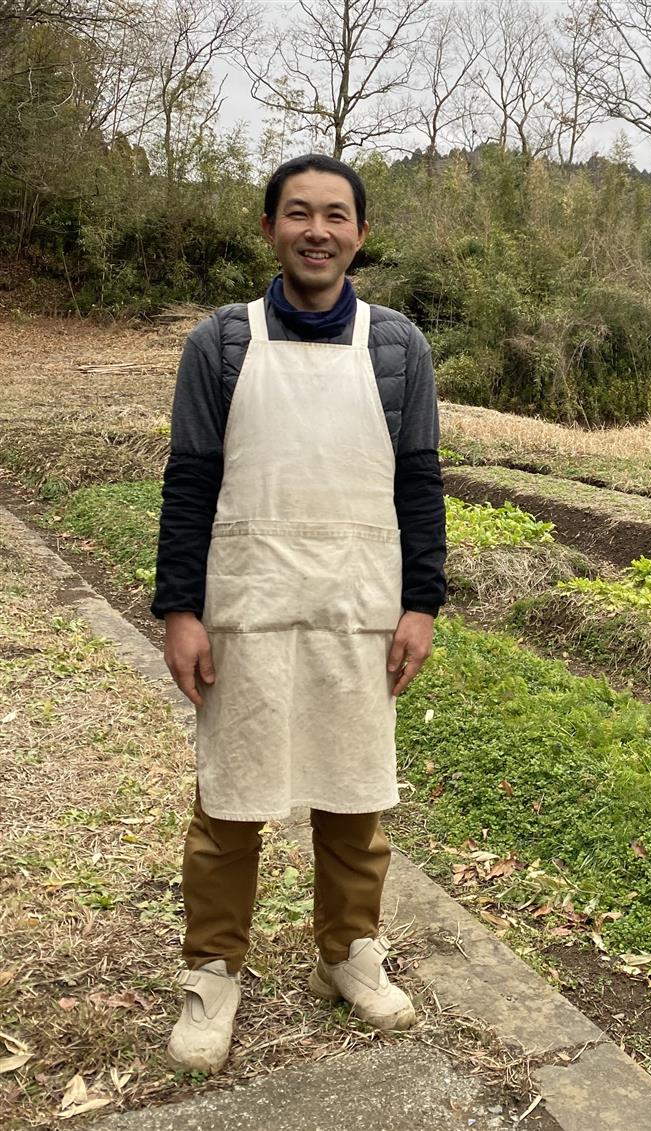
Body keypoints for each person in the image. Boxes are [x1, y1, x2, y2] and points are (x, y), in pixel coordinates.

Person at [152, 153, 447, 1074]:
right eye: (297, 213)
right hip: (248, 603)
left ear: (359, 233)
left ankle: (347, 952)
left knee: (355, 797)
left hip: (359, 605)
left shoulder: (397, 347)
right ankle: (213, 971)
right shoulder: (221, 344)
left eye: (335, 215)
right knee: (230, 801)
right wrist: (180, 610)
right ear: (272, 228)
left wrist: (421, 603)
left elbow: (421, 482)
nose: (316, 230)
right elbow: (191, 480)